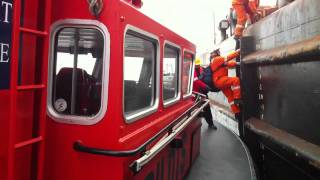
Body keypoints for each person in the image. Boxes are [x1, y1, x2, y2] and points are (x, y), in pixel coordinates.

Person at [210, 49, 241, 115]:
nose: (219, 52)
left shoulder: (215, 61)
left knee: (230, 96)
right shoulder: (216, 59)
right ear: (216, 53)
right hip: (220, 80)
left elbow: (227, 64)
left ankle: (236, 112)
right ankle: (237, 98)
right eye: (218, 51)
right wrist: (237, 52)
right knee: (236, 80)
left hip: (219, 82)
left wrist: (237, 63)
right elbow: (228, 58)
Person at [193, 58, 217, 129]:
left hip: (202, 92)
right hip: (194, 93)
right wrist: (205, 86)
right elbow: (196, 81)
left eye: (198, 64)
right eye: (196, 65)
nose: (197, 66)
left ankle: (211, 124)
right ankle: (194, 126)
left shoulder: (202, 69)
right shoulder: (191, 70)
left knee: (207, 108)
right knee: (194, 110)